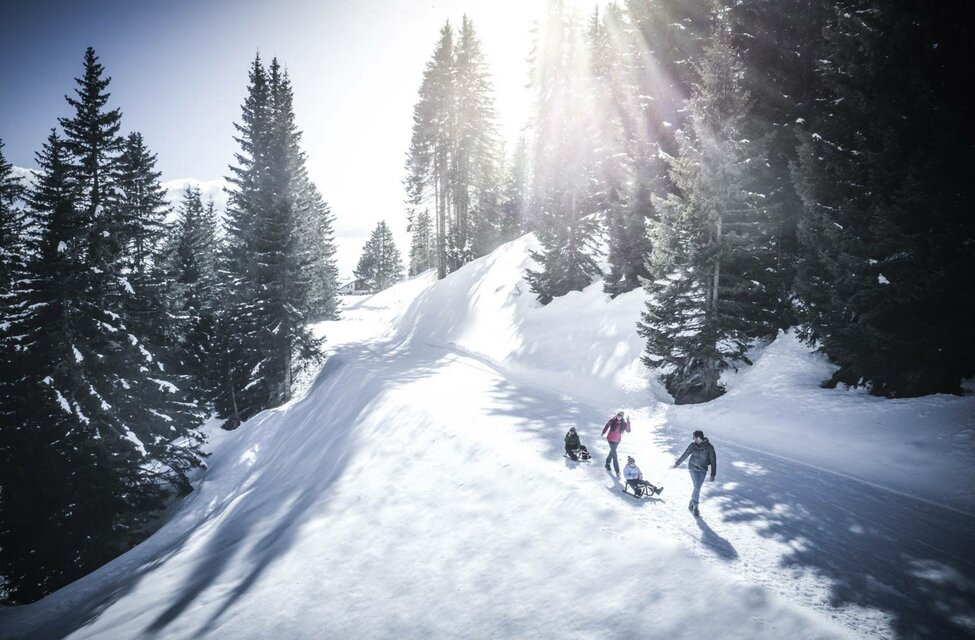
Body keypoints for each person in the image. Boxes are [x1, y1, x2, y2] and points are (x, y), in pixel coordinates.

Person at [673, 430, 717, 517]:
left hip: (703, 470)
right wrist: (677, 463)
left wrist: (713, 474)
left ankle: (691, 502)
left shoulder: (709, 447)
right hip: (693, 468)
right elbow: (685, 454)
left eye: (694, 437)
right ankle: (696, 507)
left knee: (697, 488)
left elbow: (713, 461)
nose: (693, 439)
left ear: (699, 437)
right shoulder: (692, 445)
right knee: (697, 487)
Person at [601, 411, 631, 476]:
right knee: (615, 455)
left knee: (612, 452)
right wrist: (603, 432)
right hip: (610, 440)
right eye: (618, 415)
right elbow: (607, 425)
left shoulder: (623, 423)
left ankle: (607, 463)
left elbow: (628, 430)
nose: (619, 416)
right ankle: (617, 471)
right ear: (617, 415)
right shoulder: (612, 421)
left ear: (622, 417)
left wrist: (628, 422)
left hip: (617, 441)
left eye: (620, 416)